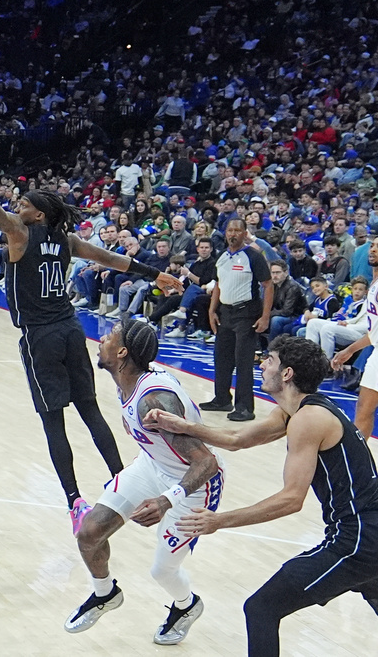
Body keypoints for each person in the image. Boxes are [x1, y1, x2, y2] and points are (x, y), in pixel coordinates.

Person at [0, 123, 183, 533]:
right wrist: (155, 275)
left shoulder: (20, 234)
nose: (15, 206)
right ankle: (123, 481)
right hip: (71, 329)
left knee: (53, 420)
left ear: (36, 214)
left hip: (40, 337)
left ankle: (75, 501)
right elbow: (113, 259)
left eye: (21, 203)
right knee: (90, 410)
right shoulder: (67, 240)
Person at [145, 335, 378, 657]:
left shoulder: (309, 420)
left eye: (269, 359)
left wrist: (219, 520)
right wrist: (185, 427)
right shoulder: (296, 411)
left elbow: (291, 499)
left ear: (287, 374)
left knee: (262, 607)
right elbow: (238, 439)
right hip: (368, 534)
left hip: (360, 538)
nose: (262, 364)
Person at [66, 319, 222, 645]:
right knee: (89, 533)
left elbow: (206, 462)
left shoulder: (153, 401)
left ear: (122, 353)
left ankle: (187, 605)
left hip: (194, 485)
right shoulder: (128, 377)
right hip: (152, 466)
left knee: (162, 571)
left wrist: (166, 501)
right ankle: (104, 593)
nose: (103, 337)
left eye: (110, 335)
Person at [200, 218, 273, 422]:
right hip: (225, 313)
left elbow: (268, 285)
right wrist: (212, 310)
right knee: (221, 359)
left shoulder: (253, 256)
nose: (233, 234)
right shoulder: (222, 257)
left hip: (247, 314)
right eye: (230, 230)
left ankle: (245, 407)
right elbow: (218, 285)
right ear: (225, 233)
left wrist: (265, 316)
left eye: (237, 230)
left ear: (244, 233)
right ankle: (222, 399)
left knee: (243, 362)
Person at [331, 238, 378, 437]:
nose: (373, 250)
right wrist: (350, 349)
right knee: (363, 408)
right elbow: (375, 333)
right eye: (373, 245)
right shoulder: (374, 284)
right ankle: (359, 462)